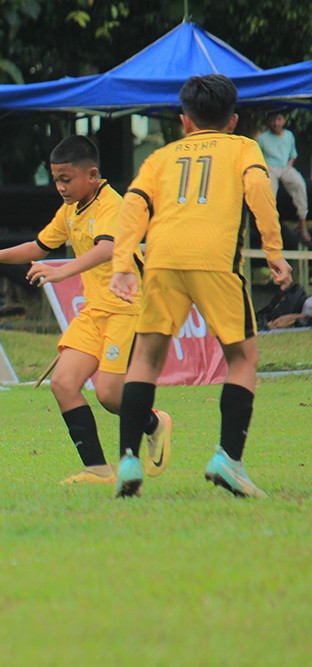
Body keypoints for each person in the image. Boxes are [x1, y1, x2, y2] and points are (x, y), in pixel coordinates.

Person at [110, 74, 292, 499]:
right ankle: (228, 458)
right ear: (233, 120)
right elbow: (259, 188)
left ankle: (127, 460)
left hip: (161, 260)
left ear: (184, 121)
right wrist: (274, 250)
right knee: (243, 357)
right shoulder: (244, 147)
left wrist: (122, 263)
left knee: (146, 360)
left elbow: (133, 204)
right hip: (214, 261)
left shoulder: (161, 156)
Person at [0, 136, 172, 486]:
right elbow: (40, 245)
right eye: (56, 179)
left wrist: (63, 271)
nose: (60, 187)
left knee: (109, 394)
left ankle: (155, 423)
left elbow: (108, 249)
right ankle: (97, 469)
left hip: (126, 310)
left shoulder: (113, 204)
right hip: (95, 312)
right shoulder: (71, 208)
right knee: (63, 383)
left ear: (92, 175)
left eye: (66, 179)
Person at [256, 110, 309, 246]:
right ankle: (268, 232)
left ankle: (302, 225)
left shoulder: (289, 136)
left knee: (299, 184)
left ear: (283, 121)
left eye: (279, 120)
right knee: (269, 192)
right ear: (268, 122)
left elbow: (292, 155)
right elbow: (256, 155)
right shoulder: (262, 138)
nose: (276, 123)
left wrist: (288, 167)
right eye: (273, 120)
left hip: (285, 167)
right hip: (270, 167)